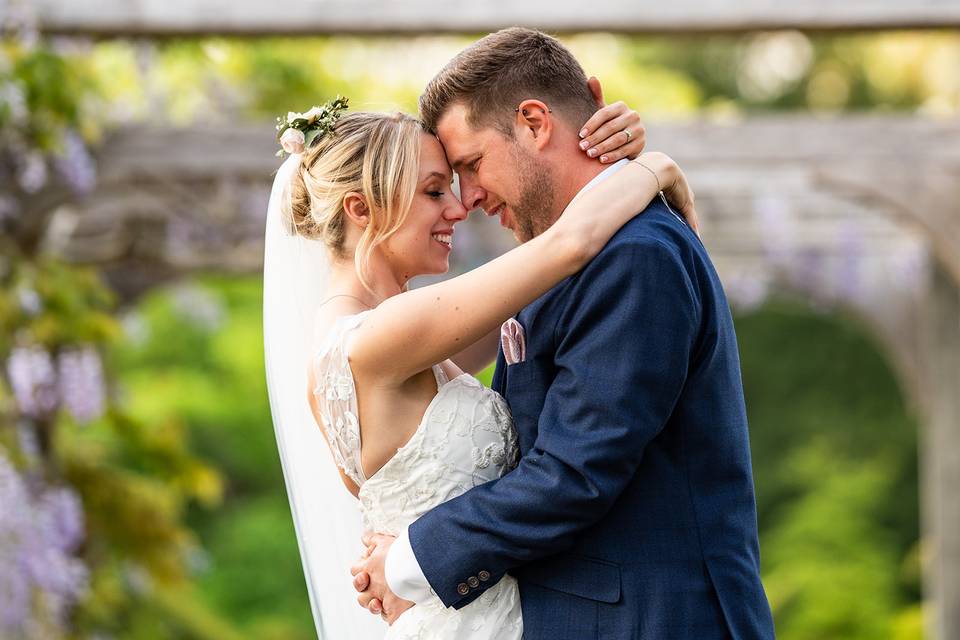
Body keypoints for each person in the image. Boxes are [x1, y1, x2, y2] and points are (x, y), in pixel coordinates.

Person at [351, 28, 777, 640]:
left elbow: (576, 473)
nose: (466, 199)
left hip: (656, 621)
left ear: (532, 121)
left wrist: (411, 561)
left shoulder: (635, 256)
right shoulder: (559, 257)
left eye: (471, 165)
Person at [262, 94, 698, 637]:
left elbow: (546, 305)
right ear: (359, 209)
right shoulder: (380, 337)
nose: (459, 206)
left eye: (455, 181)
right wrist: (657, 168)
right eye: (433, 190)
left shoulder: (365, 344)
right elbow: (568, 245)